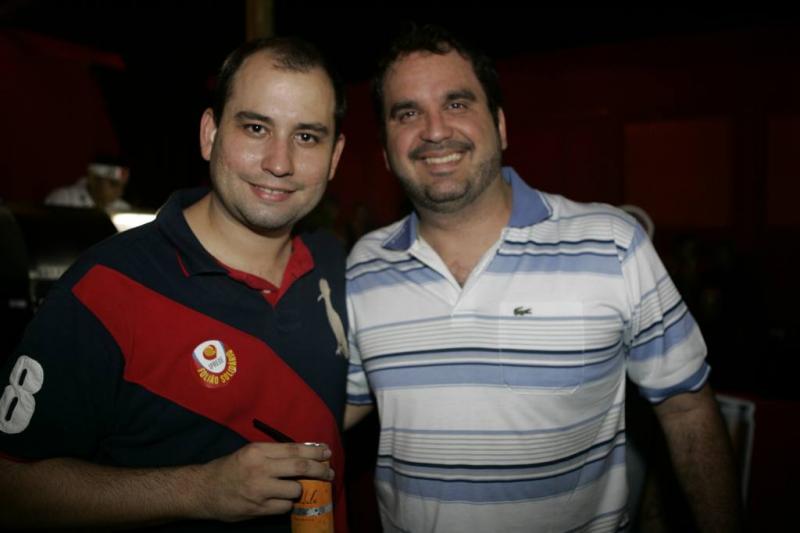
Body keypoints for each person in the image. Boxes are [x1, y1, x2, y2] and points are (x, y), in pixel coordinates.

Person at [344, 25, 741, 533]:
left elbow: (687, 410)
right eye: (407, 113)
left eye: (457, 103)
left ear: (500, 126)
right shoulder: (364, 266)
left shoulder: (612, 244)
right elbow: (327, 413)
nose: (435, 130)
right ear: (385, 149)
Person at [0, 36, 350, 532]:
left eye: (308, 137)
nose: (279, 162)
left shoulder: (336, 267)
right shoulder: (107, 287)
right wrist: (201, 490)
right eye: (256, 128)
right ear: (210, 134)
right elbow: (10, 487)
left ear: (335, 157)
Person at [45, 156, 132, 212]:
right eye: (114, 184)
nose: (120, 192)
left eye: (123, 186)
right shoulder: (63, 199)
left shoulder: (123, 209)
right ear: (93, 179)